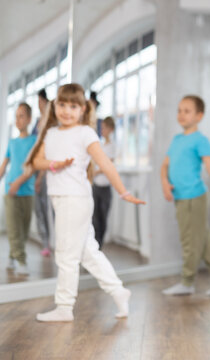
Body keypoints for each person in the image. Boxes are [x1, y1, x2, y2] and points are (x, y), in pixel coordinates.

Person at [26, 83, 145, 322]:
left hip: (75, 199)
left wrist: (123, 192)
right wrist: (54, 165)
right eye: (62, 105)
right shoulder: (51, 134)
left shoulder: (85, 133)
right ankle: (118, 291)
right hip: (61, 199)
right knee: (88, 252)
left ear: (83, 109)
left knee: (66, 255)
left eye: (73, 106)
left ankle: (64, 307)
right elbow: (36, 161)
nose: (66, 111)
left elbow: (106, 164)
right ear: (55, 106)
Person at [161, 95, 210, 297]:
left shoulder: (200, 140)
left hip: (194, 197)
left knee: (189, 240)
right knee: (202, 238)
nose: (181, 114)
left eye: (187, 111)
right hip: (180, 197)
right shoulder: (177, 139)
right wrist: (165, 183)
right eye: (179, 110)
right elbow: (165, 165)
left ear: (199, 116)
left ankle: (187, 282)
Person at [0, 103, 37, 275]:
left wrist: (19, 183)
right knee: (14, 228)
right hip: (10, 192)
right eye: (16, 116)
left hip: (27, 192)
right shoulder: (12, 142)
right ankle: (21, 260)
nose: (18, 120)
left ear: (29, 119)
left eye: (21, 116)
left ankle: (12, 256)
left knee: (23, 230)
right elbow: (4, 165)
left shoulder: (34, 141)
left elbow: (33, 167)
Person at [33, 88, 52, 257]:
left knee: (47, 207)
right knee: (39, 208)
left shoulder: (50, 123)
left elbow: (46, 151)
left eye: (41, 102)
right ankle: (45, 242)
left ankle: (52, 241)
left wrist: (40, 176)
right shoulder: (37, 123)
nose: (39, 105)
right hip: (36, 169)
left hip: (46, 171)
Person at [92, 116, 116, 249]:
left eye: (105, 128)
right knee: (95, 217)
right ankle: (96, 244)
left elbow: (108, 165)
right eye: (102, 128)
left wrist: (97, 172)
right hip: (96, 186)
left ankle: (100, 244)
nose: (103, 130)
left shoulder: (112, 146)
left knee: (103, 216)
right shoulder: (99, 145)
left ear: (111, 129)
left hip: (106, 187)